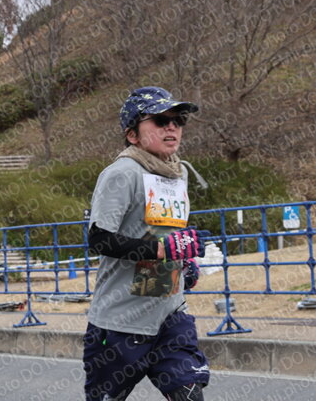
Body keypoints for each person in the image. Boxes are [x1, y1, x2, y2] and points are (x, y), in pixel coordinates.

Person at [83, 87, 211, 401]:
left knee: (190, 395)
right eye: (160, 120)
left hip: (170, 316)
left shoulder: (177, 173)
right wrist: (161, 251)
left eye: (178, 120)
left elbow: (162, 231)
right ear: (132, 135)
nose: (172, 127)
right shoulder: (121, 174)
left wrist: (183, 263)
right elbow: (98, 239)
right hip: (120, 322)